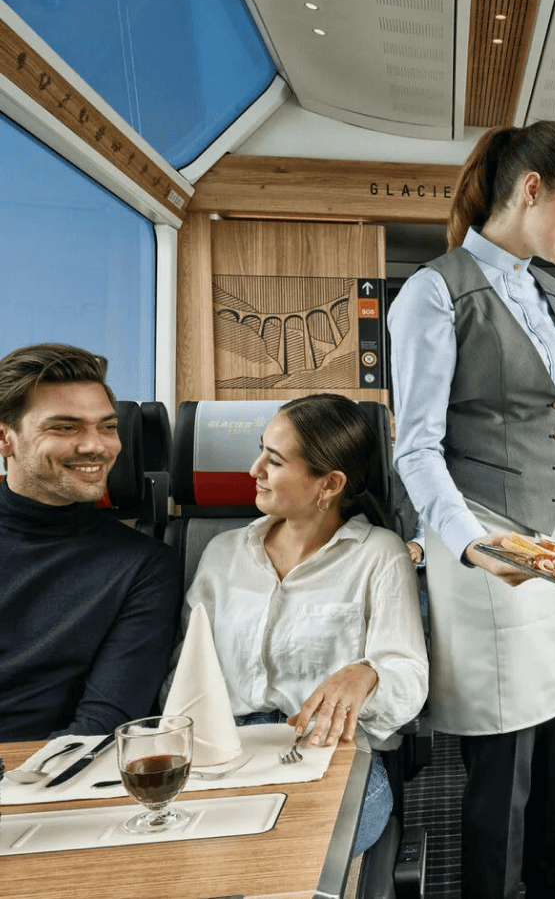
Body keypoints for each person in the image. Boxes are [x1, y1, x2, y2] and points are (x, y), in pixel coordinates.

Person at [388, 120, 555, 899]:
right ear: (530, 189)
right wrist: (470, 545)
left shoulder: (551, 285)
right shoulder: (434, 292)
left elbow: (549, 409)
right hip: (486, 544)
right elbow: (414, 449)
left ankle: (548, 889)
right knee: (502, 763)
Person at [183, 394, 428, 856]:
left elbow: (409, 680)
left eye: (273, 461)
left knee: (287, 854)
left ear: (329, 484)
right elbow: (185, 670)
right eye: (261, 451)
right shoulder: (222, 553)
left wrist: (370, 674)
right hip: (225, 746)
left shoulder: (380, 554)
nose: (253, 470)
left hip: (330, 751)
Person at [0, 343, 179, 742]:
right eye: (65, 427)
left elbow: (102, 726)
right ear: (5, 439)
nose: (96, 446)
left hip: (45, 779)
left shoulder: (143, 566)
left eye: (108, 426)